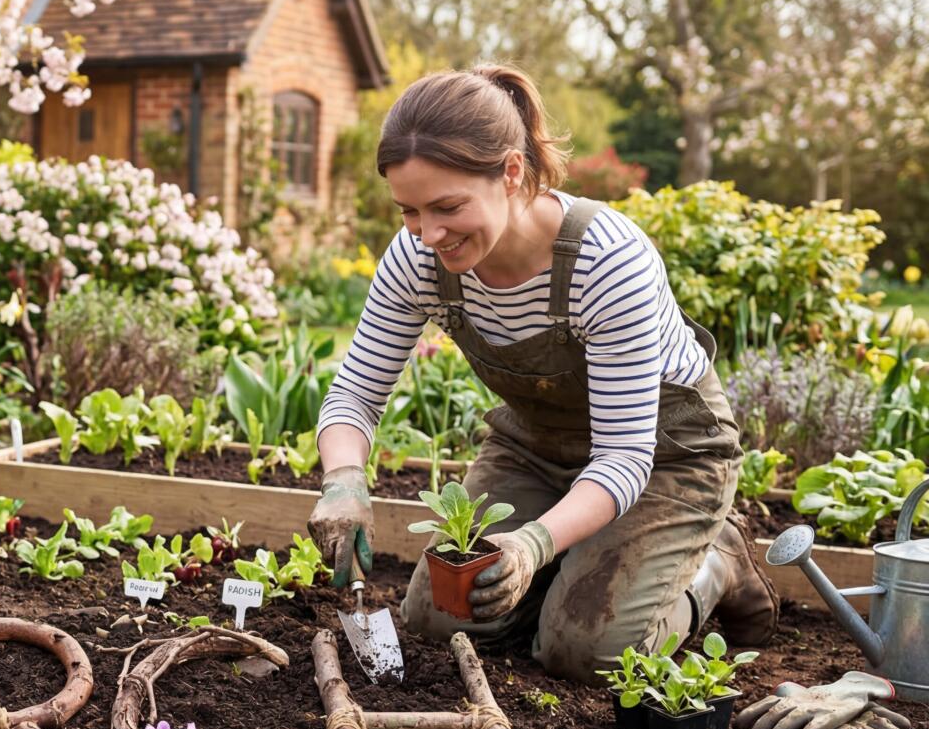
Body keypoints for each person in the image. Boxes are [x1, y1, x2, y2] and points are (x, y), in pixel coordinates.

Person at [306, 65, 778, 681]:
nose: (428, 235)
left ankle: (719, 561)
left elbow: (624, 457)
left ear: (509, 172)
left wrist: (531, 545)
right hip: (536, 450)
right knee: (440, 617)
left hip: (663, 458)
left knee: (586, 653)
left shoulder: (605, 261)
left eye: (447, 207)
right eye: (409, 211)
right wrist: (344, 480)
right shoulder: (420, 259)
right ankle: (576, 568)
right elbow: (355, 395)